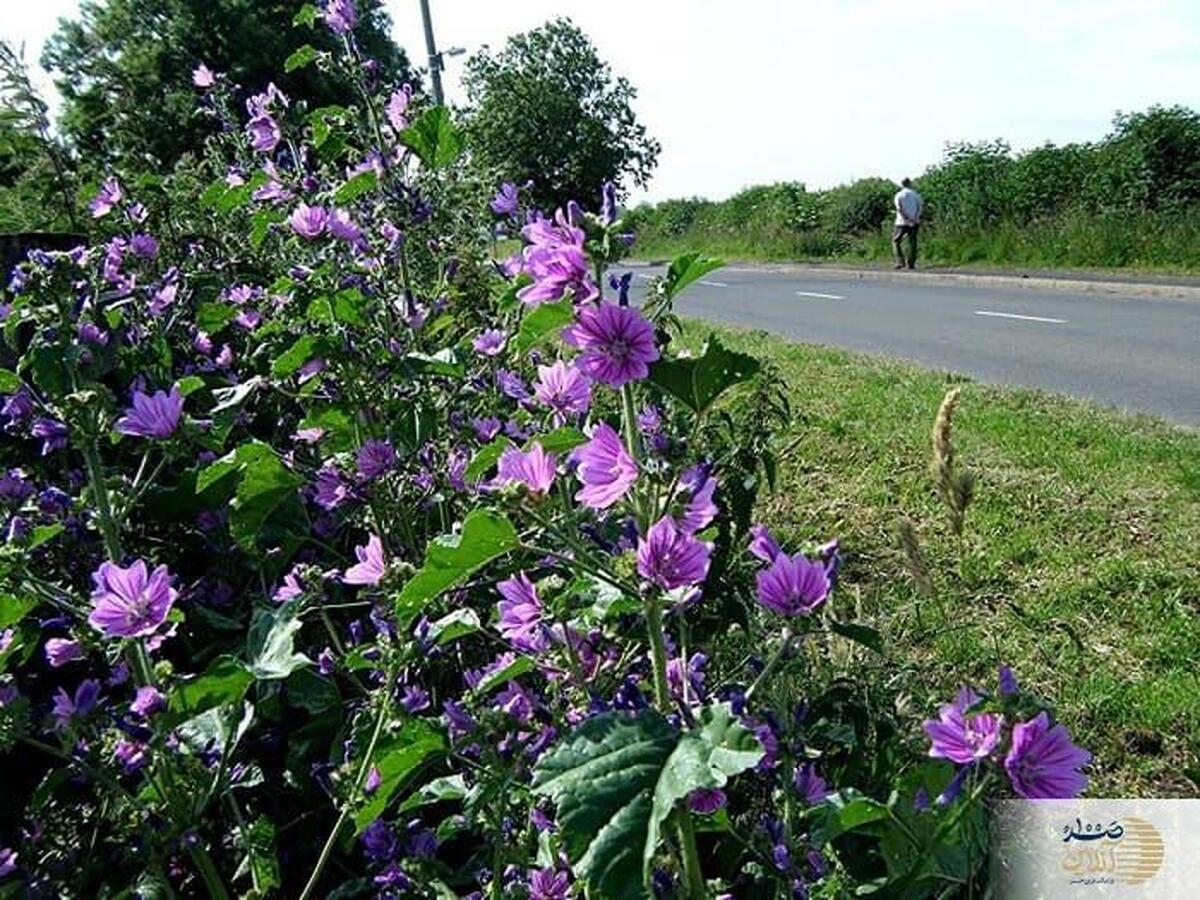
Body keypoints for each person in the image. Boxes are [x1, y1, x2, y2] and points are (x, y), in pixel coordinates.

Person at [892, 178, 923, 270]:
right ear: (910, 184)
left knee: (896, 241)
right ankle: (911, 263)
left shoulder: (899, 195)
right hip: (915, 221)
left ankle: (900, 261)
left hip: (901, 222)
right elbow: (920, 208)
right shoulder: (916, 195)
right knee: (913, 242)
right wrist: (915, 218)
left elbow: (899, 208)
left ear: (902, 184)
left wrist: (907, 218)